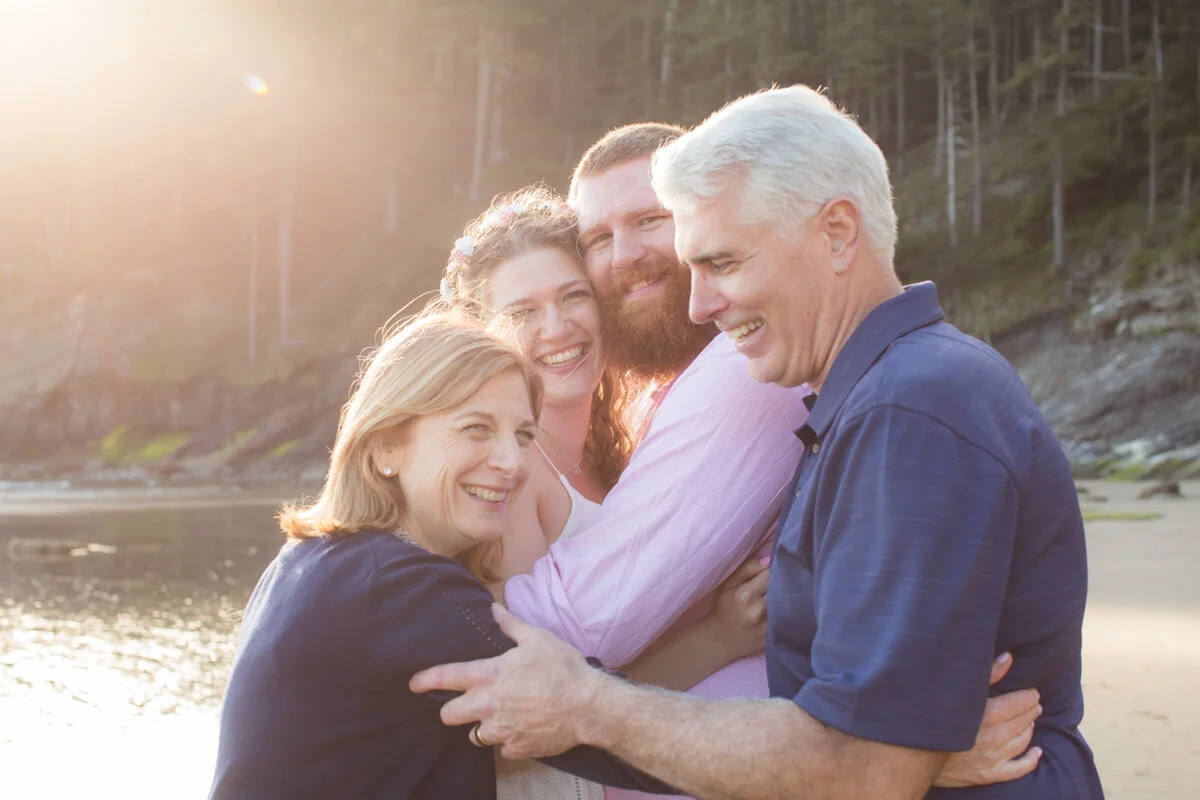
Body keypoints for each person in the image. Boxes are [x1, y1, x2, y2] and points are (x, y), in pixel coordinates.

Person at [411, 86, 1104, 799]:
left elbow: (865, 766)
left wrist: (590, 706)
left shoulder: (909, 411)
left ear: (837, 234)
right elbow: (861, 730)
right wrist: (908, 743)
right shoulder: (870, 402)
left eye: (725, 264)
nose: (699, 304)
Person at [207, 312, 674, 799]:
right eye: (476, 428)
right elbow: (608, 731)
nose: (512, 463)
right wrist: (754, 750)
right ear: (385, 445)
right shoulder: (396, 588)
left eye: (522, 435)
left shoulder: (310, 562)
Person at [440, 186, 772, 800]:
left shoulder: (621, 448)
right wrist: (718, 638)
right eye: (522, 313)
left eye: (574, 297)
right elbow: (545, 704)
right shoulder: (511, 478)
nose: (557, 327)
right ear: (480, 336)